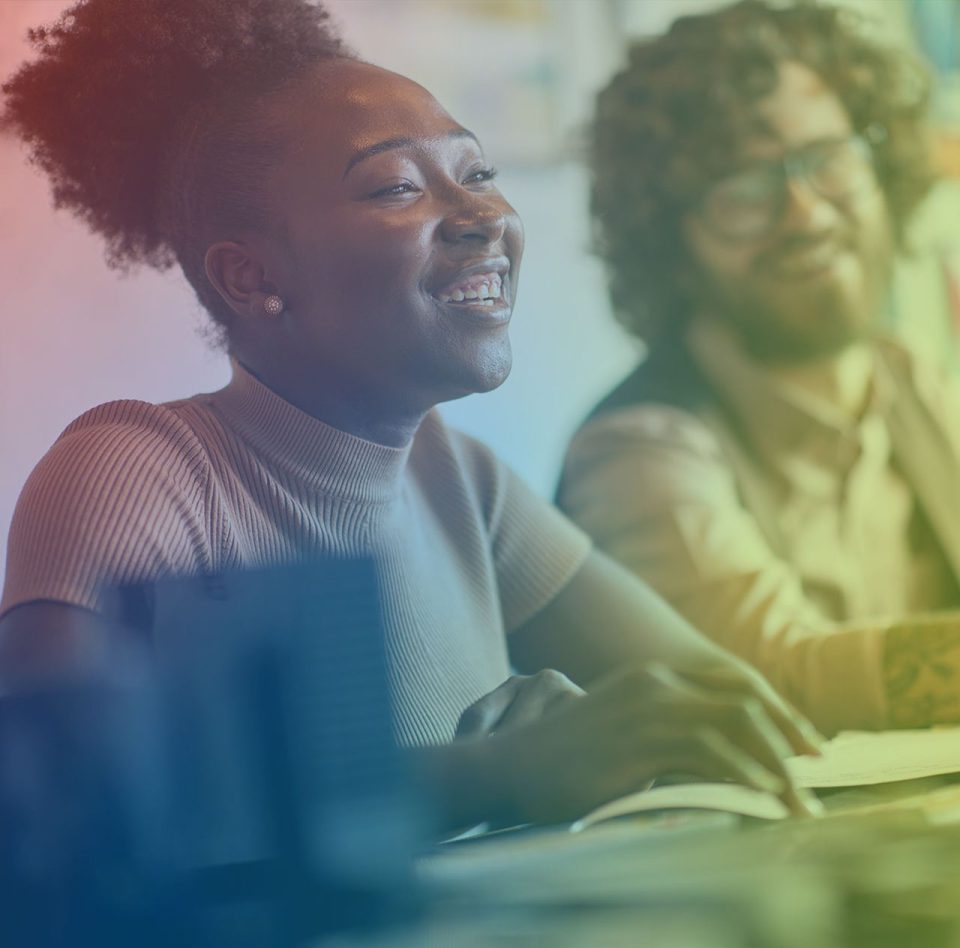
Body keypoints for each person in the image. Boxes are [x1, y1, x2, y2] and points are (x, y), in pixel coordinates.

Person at [0, 0, 822, 829]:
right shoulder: (138, 469)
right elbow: (55, 798)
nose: (483, 218)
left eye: (477, 173)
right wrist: (488, 775)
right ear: (248, 279)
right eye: (396, 186)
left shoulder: (459, 479)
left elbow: (721, 704)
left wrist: (605, 736)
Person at [558, 0, 960, 736]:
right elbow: (766, 676)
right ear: (667, 239)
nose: (805, 213)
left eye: (829, 159)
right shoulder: (634, 451)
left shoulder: (920, 385)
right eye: (744, 187)